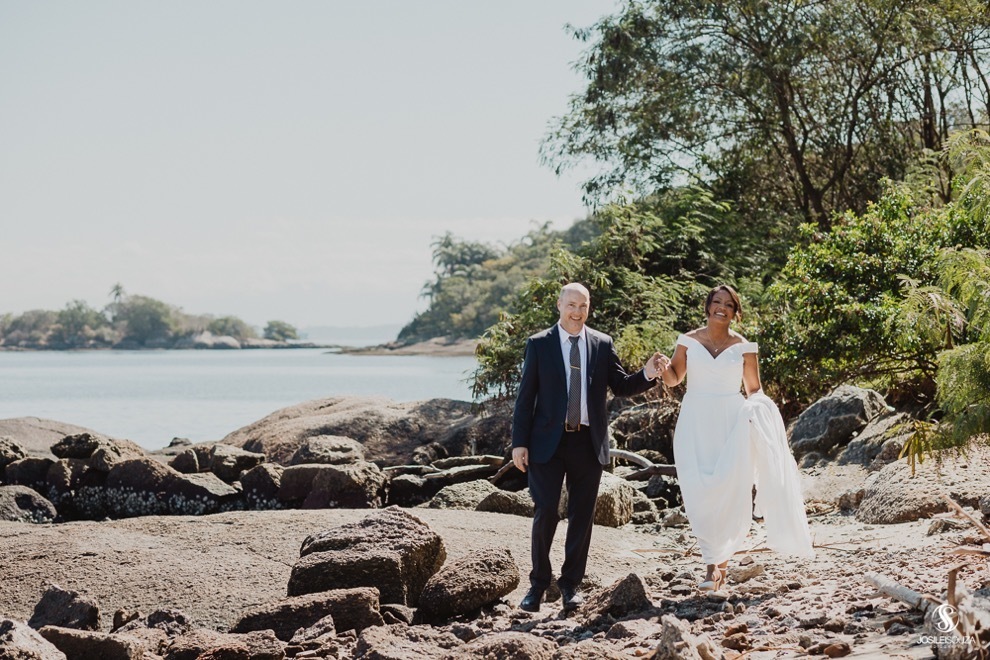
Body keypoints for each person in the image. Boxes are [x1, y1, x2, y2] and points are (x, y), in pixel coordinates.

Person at [512, 282, 663, 612]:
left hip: (588, 441)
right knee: (546, 511)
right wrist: (519, 443)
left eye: (583, 306)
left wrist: (648, 373)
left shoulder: (601, 343)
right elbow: (525, 398)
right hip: (546, 443)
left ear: (589, 307)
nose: (577, 312)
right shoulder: (539, 344)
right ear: (559, 304)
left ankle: (570, 585)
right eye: (571, 305)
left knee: (582, 517)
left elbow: (621, 386)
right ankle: (538, 585)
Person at [656, 284, 814, 591]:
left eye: (728, 304)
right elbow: (675, 377)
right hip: (695, 421)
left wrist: (761, 412)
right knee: (699, 491)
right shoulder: (687, 340)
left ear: (735, 311)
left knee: (731, 490)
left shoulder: (744, 346)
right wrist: (663, 369)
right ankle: (711, 561)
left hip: (732, 422)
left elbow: (754, 389)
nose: (722, 307)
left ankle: (716, 569)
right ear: (708, 306)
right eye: (717, 302)